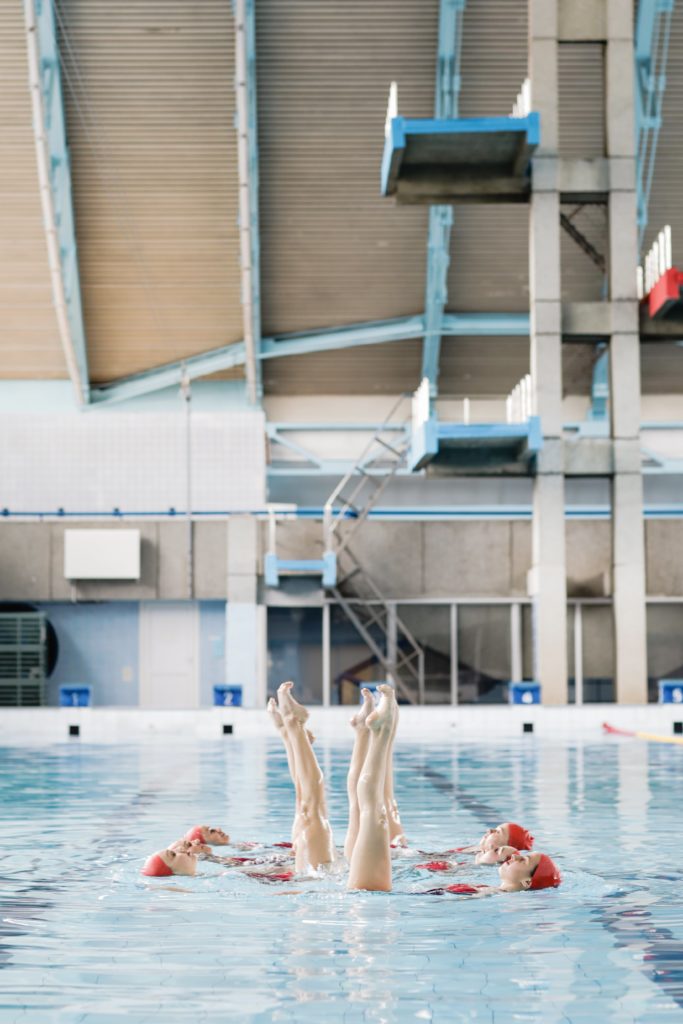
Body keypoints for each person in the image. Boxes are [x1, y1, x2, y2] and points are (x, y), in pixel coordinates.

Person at [268, 681, 336, 874]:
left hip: (310, 875)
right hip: (317, 878)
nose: (193, 844)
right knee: (309, 808)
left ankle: (291, 729)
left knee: (306, 807)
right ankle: (292, 728)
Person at [347, 683, 399, 892]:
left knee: (367, 810)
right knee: (372, 809)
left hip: (362, 897)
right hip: (366, 899)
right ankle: (381, 729)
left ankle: (378, 730)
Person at [424, 851, 561, 896]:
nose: (514, 856)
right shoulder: (487, 889)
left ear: (527, 882)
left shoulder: (484, 895)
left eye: (523, 860)